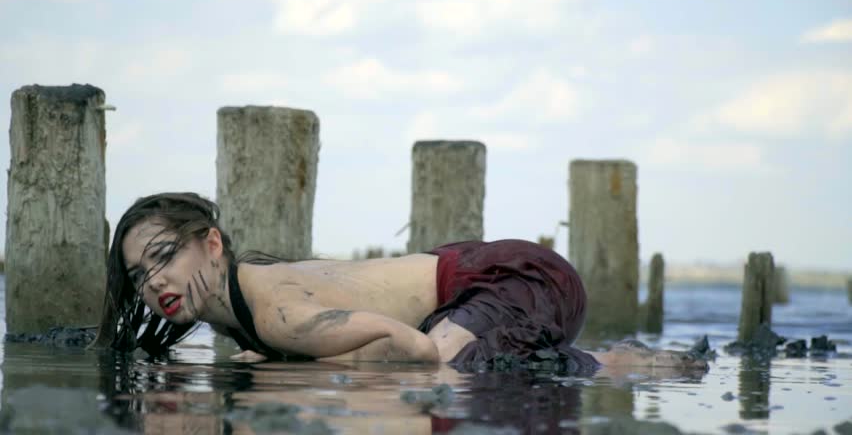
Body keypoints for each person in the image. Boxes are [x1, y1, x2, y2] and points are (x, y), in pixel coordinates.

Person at [91, 192, 708, 372]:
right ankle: (617, 362)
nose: (155, 281)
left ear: (213, 243)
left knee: (435, 363)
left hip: (517, 277)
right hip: (471, 280)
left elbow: (410, 346)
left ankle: (619, 364)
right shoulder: (245, 312)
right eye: (140, 274)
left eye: (164, 255)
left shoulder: (272, 311)